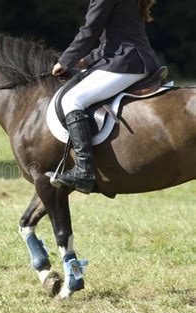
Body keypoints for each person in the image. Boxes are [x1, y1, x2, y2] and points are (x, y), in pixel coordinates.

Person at [45, 0, 161, 194]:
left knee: (72, 100)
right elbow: (115, 38)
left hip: (127, 63)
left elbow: (90, 30)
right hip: (131, 59)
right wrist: (87, 61)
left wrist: (65, 61)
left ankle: (83, 171)